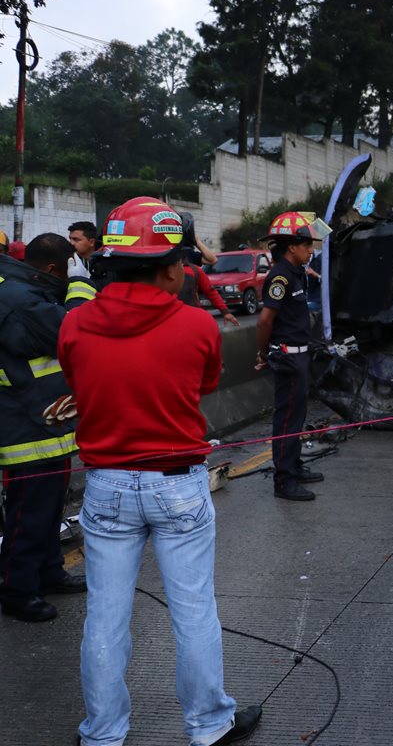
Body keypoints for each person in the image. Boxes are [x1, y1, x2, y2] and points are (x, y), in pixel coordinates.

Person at [59, 197, 261, 746]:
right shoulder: (195, 326)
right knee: (193, 611)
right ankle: (209, 724)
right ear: (168, 265)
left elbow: (81, 389)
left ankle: (102, 733)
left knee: (104, 617)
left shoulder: (74, 324)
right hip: (178, 486)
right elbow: (205, 384)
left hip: (106, 487)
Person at [0, 233, 92, 622]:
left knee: (50, 506)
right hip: (28, 428)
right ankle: (17, 590)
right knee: (29, 513)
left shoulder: (23, 290)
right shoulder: (19, 300)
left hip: (47, 420)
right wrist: (81, 286)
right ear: (55, 268)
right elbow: (78, 331)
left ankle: (49, 571)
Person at [256, 211, 330, 501]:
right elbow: (264, 321)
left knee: (297, 415)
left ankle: (294, 466)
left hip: (300, 355)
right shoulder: (280, 277)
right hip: (287, 357)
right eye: (307, 245)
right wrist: (263, 354)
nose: (311, 250)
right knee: (286, 419)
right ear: (292, 247)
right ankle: (284, 481)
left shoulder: (296, 272)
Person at [180, 253, 240, 327]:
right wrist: (225, 311)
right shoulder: (194, 270)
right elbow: (210, 291)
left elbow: (210, 291)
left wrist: (225, 311)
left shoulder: (194, 270)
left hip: (193, 318)